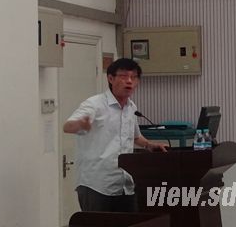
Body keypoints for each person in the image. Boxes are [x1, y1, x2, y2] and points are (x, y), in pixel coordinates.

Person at [63, 58, 168, 212]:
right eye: (124, 76)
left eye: (134, 77)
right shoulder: (95, 104)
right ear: (111, 79)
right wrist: (80, 124)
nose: (129, 81)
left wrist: (149, 145)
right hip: (97, 185)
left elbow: (135, 136)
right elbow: (67, 126)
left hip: (125, 184)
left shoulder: (131, 107)